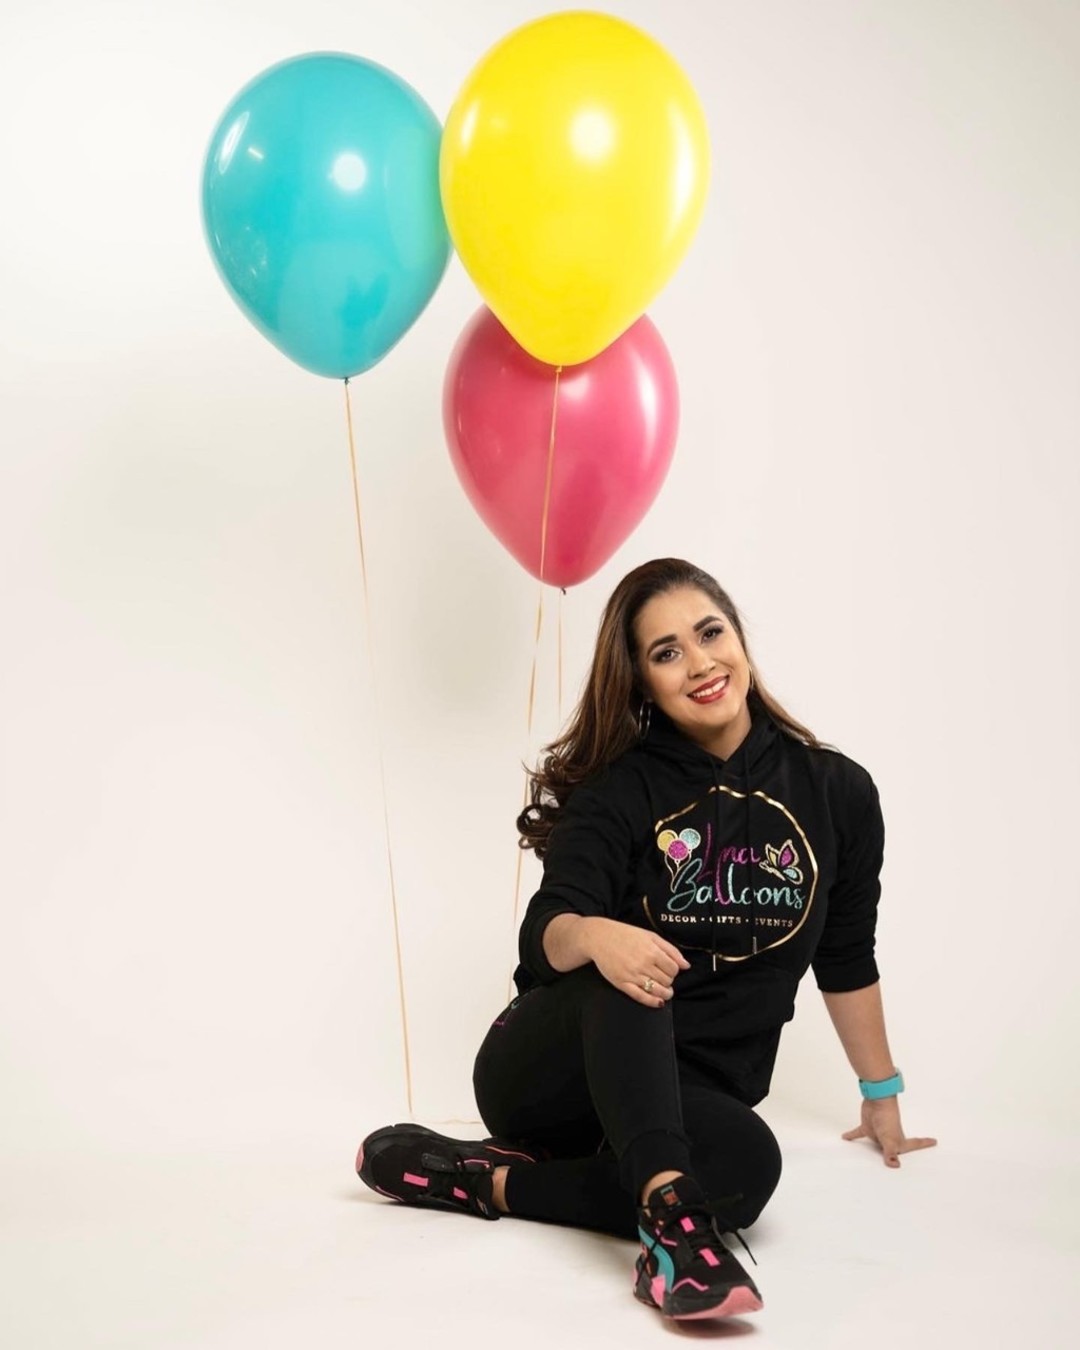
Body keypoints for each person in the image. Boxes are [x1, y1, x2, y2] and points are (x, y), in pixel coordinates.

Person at [356, 558, 936, 1322]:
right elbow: (545, 933)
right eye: (667, 653)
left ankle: (485, 1182)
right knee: (632, 965)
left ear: (739, 638)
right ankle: (672, 1233)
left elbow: (846, 954)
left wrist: (880, 1095)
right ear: (642, 682)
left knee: (748, 1167)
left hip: (684, 1097)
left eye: (709, 633)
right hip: (551, 1075)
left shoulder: (838, 792)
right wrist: (599, 935)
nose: (699, 663)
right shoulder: (620, 789)